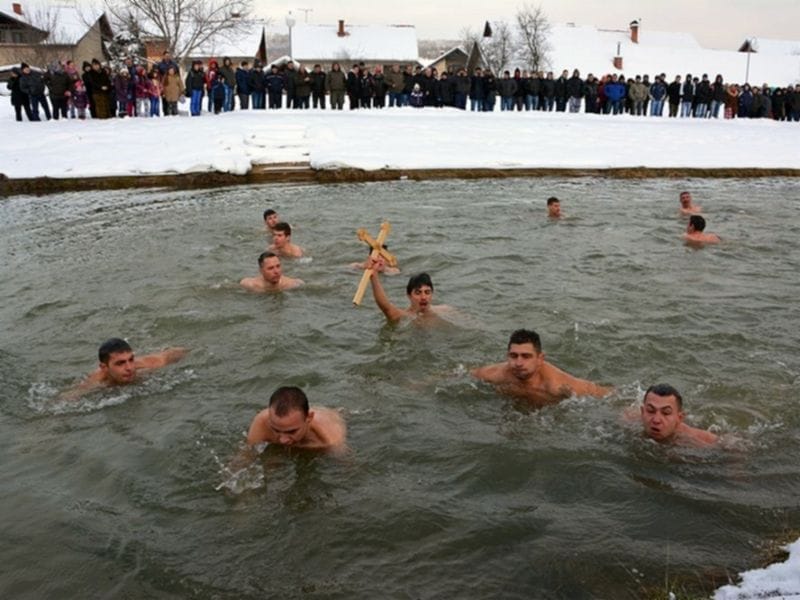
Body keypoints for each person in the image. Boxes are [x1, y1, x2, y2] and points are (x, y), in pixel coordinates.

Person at [471, 329, 612, 406]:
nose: (518, 363)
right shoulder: (496, 374)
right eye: (514, 356)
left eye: (526, 356)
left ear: (540, 359)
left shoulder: (557, 385)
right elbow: (461, 373)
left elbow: (610, 395)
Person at [63, 338, 187, 399]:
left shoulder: (146, 365)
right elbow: (67, 399)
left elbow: (175, 352)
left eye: (131, 360)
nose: (129, 368)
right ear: (104, 367)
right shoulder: (94, 382)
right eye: (120, 363)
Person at [246, 386, 346, 451]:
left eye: (291, 432)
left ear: (309, 418)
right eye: (276, 430)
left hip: (331, 416)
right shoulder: (262, 423)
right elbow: (244, 458)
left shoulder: (329, 438)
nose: (282, 440)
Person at [366, 259, 450, 323]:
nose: (423, 297)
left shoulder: (445, 310)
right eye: (418, 293)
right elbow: (386, 308)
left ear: (432, 294)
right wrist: (374, 276)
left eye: (427, 292)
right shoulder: (404, 317)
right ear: (409, 295)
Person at [637, 383, 718, 447]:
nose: (656, 420)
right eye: (651, 410)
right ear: (642, 412)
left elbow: (726, 446)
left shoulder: (698, 440)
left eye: (666, 413)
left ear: (679, 418)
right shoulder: (630, 421)